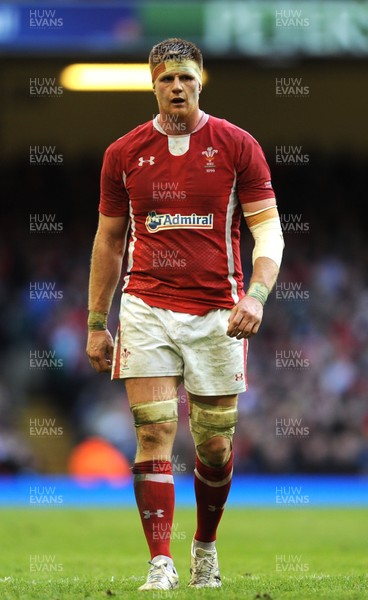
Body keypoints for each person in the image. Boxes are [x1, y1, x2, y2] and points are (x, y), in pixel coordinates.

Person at [86, 37, 284, 591]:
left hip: (219, 312)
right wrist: (97, 323)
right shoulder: (122, 154)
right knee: (154, 434)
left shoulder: (237, 145)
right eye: (167, 79)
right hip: (145, 305)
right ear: (153, 83)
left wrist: (257, 296)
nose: (178, 87)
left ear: (202, 81)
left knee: (215, 445)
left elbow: (267, 230)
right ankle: (160, 562)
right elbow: (107, 241)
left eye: (187, 78)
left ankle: (205, 548)